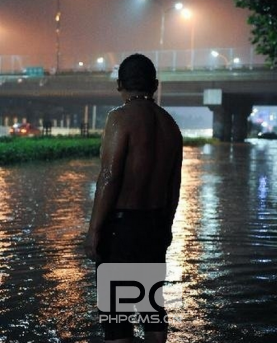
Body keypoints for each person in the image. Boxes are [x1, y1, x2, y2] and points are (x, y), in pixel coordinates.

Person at [84, 53, 182, 343]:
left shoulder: (120, 118)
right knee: (151, 309)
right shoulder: (170, 125)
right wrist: (166, 227)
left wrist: (94, 231)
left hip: (121, 228)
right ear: (155, 85)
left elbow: (110, 176)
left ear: (119, 85)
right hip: (155, 226)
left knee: (117, 318)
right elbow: (174, 186)